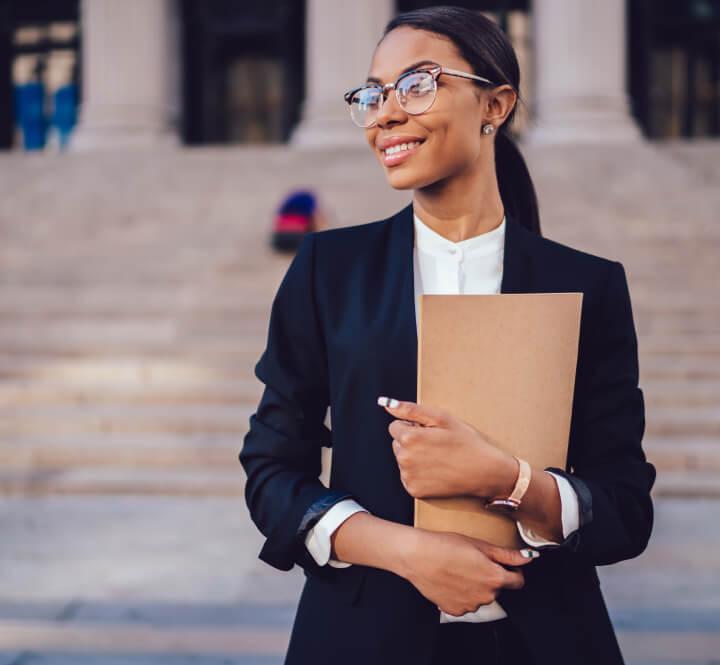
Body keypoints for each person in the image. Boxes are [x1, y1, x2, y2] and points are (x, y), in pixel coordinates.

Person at [240, 6, 656, 665]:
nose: (384, 114)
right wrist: (406, 551)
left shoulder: (589, 284)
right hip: (358, 641)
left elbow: (627, 507)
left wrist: (512, 480)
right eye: (372, 94)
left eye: (416, 84)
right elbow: (270, 472)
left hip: (545, 642)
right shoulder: (328, 270)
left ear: (496, 103)